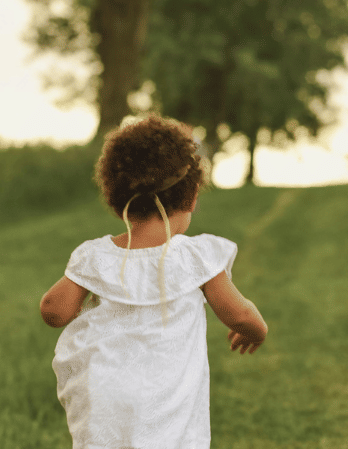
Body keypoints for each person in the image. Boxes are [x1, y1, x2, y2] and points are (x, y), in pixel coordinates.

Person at [40, 115, 268, 448]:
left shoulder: (96, 256)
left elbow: (54, 310)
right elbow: (240, 315)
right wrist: (256, 330)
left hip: (106, 396)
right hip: (167, 403)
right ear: (191, 198)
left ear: (117, 201)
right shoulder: (195, 257)